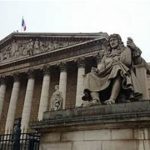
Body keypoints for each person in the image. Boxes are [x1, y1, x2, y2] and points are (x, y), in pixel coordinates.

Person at [82, 34, 142, 105]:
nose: (112, 42)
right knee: (89, 75)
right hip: (106, 75)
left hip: (122, 74)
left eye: (114, 40)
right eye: (110, 41)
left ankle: (112, 98)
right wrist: (97, 70)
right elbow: (102, 67)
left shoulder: (125, 49)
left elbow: (128, 62)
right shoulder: (106, 55)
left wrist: (133, 48)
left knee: (117, 67)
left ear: (119, 41)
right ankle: (96, 99)